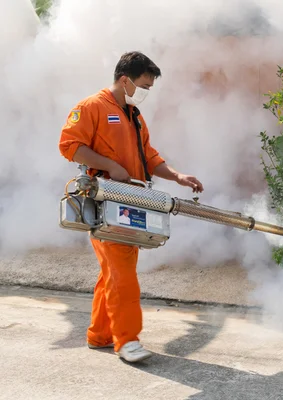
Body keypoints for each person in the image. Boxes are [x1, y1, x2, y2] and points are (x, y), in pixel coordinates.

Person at [58, 51, 203, 363]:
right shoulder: (91, 107)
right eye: (144, 85)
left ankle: (100, 335)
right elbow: (70, 146)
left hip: (130, 203)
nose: (146, 92)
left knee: (113, 272)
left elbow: (147, 155)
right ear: (125, 80)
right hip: (105, 202)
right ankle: (127, 341)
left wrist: (176, 176)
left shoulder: (134, 115)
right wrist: (110, 165)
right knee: (123, 273)